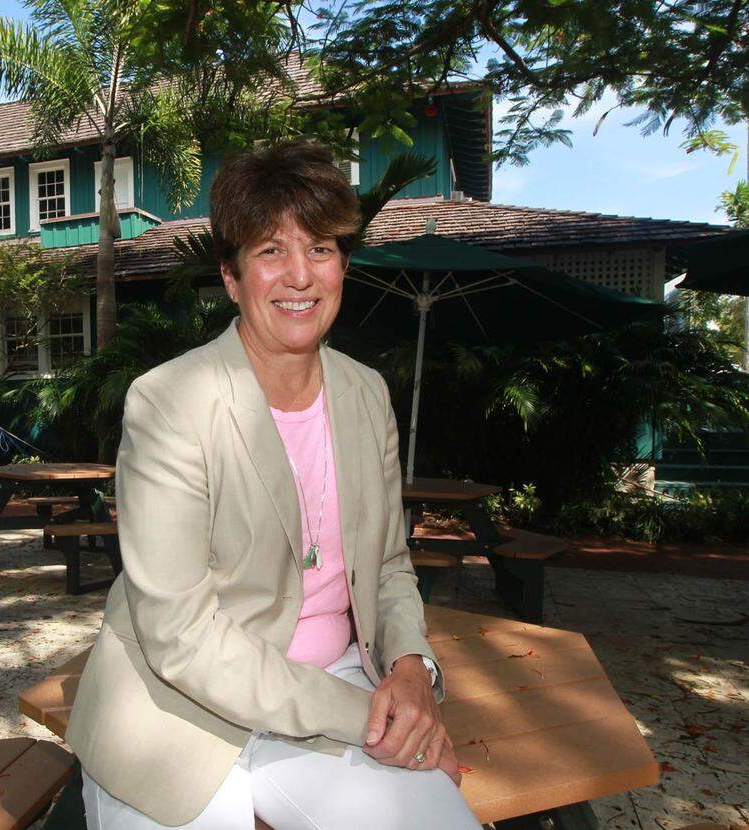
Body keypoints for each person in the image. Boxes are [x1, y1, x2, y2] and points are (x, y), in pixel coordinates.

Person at [65, 141, 481, 830]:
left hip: (334, 679)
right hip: (173, 709)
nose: (300, 276)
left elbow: (386, 565)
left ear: (343, 264)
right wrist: (372, 719)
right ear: (231, 277)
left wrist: (411, 674)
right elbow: (182, 639)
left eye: (320, 249)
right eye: (269, 253)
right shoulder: (170, 402)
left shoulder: (366, 393)